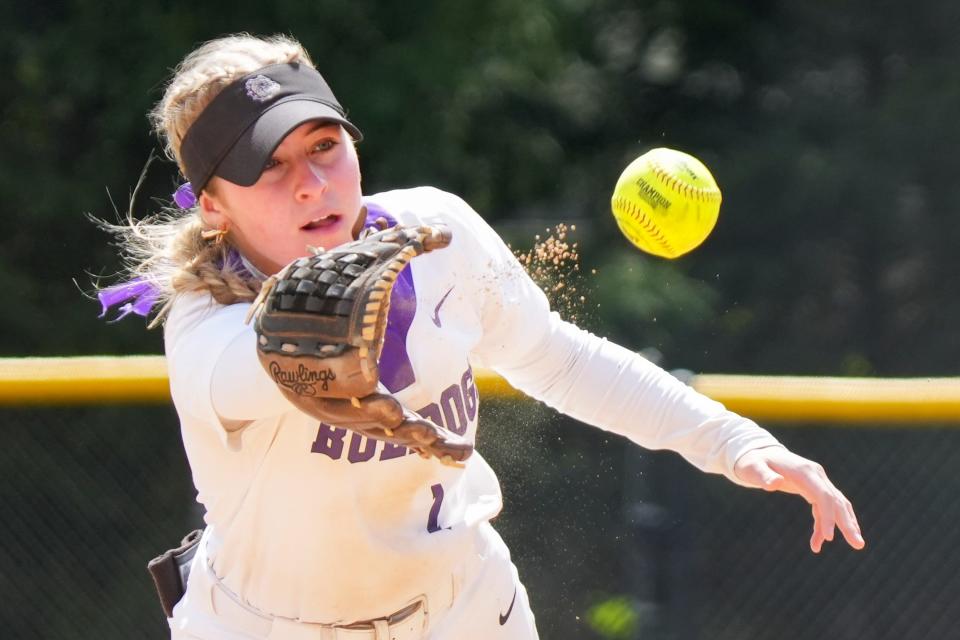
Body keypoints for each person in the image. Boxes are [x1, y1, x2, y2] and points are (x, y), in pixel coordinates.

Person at [100, 33, 864, 640]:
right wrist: (328, 313)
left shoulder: (435, 234)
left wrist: (733, 443)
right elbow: (277, 359)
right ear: (212, 207)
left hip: (463, 610)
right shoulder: (208, 329)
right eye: (268, 166)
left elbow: (556, 359)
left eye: (324, 145)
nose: (311, 182)